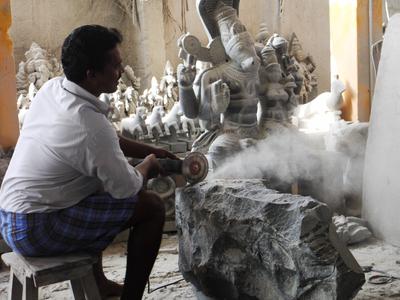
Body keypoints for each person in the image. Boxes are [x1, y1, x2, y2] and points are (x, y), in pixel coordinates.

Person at [0, 24, 177, 300]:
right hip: (36, 229)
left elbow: (105, 141)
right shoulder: (90, 126)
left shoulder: (54, 89)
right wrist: (150, 164)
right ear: (91, 74)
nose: (121, 72)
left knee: (92, 188)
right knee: (151, 206)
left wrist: (149, 150)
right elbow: (127, 189)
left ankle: (101, 283)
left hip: (9, 216)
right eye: (115, 67)